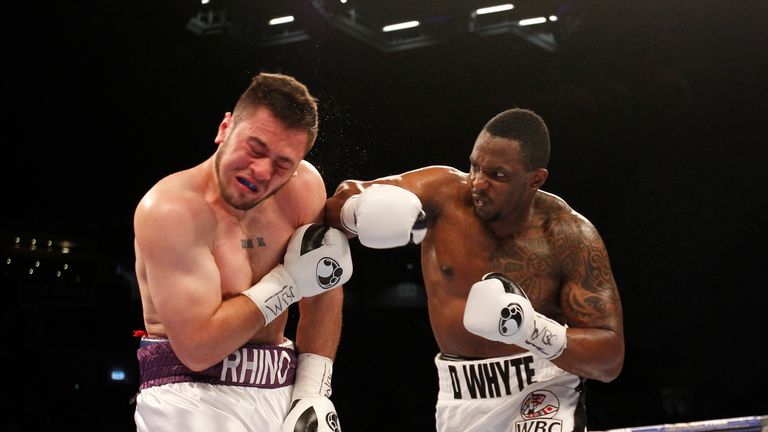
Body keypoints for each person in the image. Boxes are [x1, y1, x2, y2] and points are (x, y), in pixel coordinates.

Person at [324, 108, 624, 432]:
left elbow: (609, 360)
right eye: (474, 167)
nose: (478, 183)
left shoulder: (568, 235)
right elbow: (343, 197)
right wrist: (359, 211)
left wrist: (529, 329)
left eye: (498, 175)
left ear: (536, 179)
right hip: (460, 395)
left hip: (542, 390)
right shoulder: (443, 193)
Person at [132, 72, 350, 432]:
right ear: (224, 129)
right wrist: (288, 282)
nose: (262, 171)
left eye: (283, 164)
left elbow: (324, 283)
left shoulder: (304, 188)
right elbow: (198, 349)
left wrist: (313, 390)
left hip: (279, 383)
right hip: (189, 394)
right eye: (255, 148)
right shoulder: (171, 210)